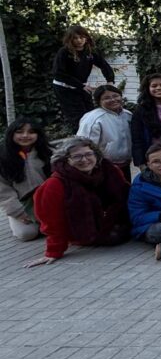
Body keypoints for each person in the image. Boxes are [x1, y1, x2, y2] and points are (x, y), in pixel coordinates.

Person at [28, 138, 130, 266]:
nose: (84, 159)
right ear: (66, 160)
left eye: (88, 154)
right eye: (77, 156)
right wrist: (54, 250)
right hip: (82, 235)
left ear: (96, 155)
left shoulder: (110, 171)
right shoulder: (55, 184)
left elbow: (125, 197)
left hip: (113, 225)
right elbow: (52, 220)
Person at [52, 24, 116, 133]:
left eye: (81, 37)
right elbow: (58, 73)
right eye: (75, 38)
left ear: (86, 37)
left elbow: (104, 65)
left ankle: (94, 137)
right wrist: (80, 85)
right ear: (70, 39)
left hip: (82, 86)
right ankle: (80, 138)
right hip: (64, 87)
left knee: (91, 113)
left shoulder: (90, 52)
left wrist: (110, 81)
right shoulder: (64, 52)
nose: (79, 40)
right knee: (78, 117)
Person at [0, 117, 52, 241]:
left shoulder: (49, 153)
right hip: (22, 204)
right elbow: (3, 191)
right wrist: (17, 212)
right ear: (11, 134)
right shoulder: (2, 157)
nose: (25, 135)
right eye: (19, 132)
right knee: (27, 234)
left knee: (55, 227)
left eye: (31, 132)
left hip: (48, 200)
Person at [77, 84, 133, 178]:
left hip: (125, 164)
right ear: (99, 101)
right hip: (103, 166)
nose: (113, 100)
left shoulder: (128, 115)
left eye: (115, 96)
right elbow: (84, 144)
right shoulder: (93, 118)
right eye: (106, 98)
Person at [130, 74, 161, 168]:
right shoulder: (141, 111)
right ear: (148, 89)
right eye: (154, 86)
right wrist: (141, 163)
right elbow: (137, 138)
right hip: (154, 156)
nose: (159, 88)